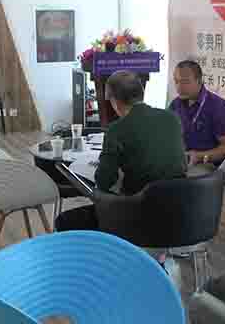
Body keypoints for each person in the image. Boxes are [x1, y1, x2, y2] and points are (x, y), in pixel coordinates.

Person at [55, 70, 186, 231]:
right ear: (141, 93)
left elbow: (104, 182)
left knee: (65, 221)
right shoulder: (172, 118)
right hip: (179, 212)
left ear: (114, 100)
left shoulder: (116, 130)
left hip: (139, 215)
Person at [169, 60, 225, 168]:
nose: (179, 87)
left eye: (185, 82)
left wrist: (199, 156)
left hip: (206, 164)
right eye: (176, 81)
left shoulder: (217, 106)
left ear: (199, 81)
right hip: (179, 161)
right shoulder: (175, 104)